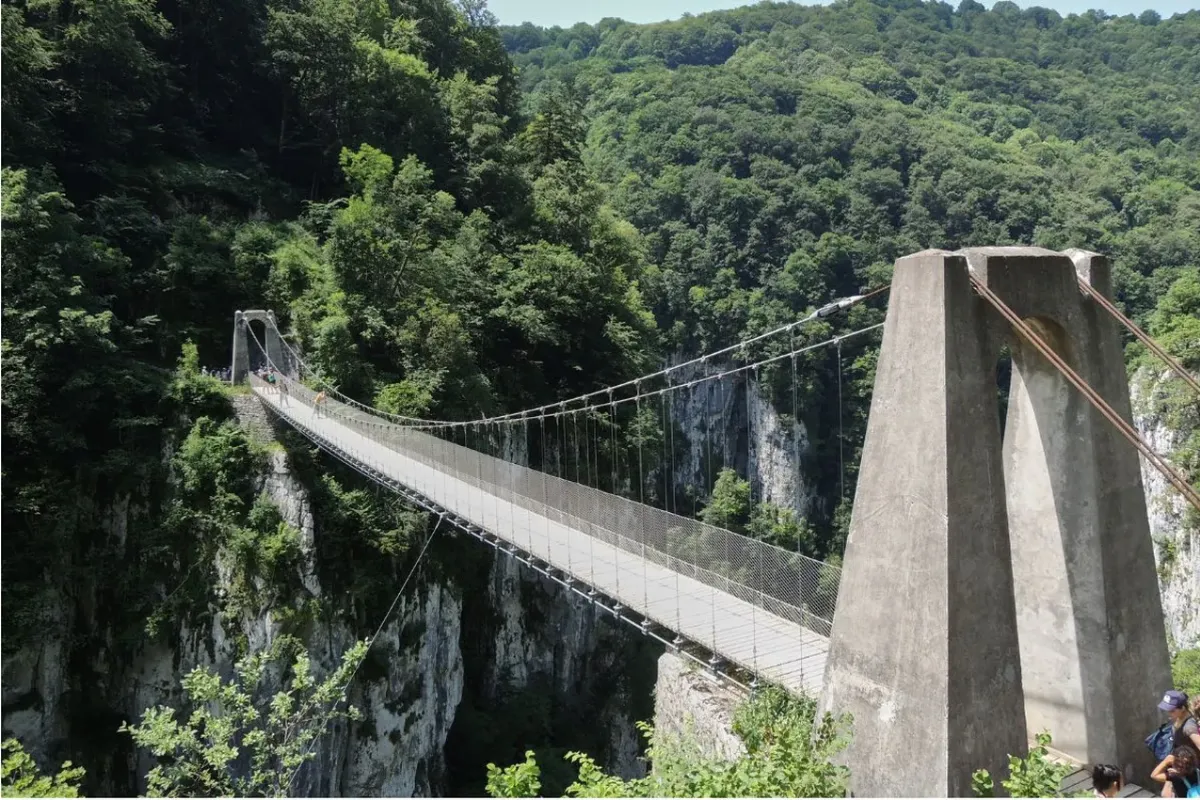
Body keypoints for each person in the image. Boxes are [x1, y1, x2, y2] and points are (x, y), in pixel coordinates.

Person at [1161, 691, 1200, 757]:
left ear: (1182, 708)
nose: (1169, 713)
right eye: (1167, 710)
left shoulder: (1188, 726)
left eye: (1172, 711)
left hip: (1191, 765)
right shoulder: (1179, 719)